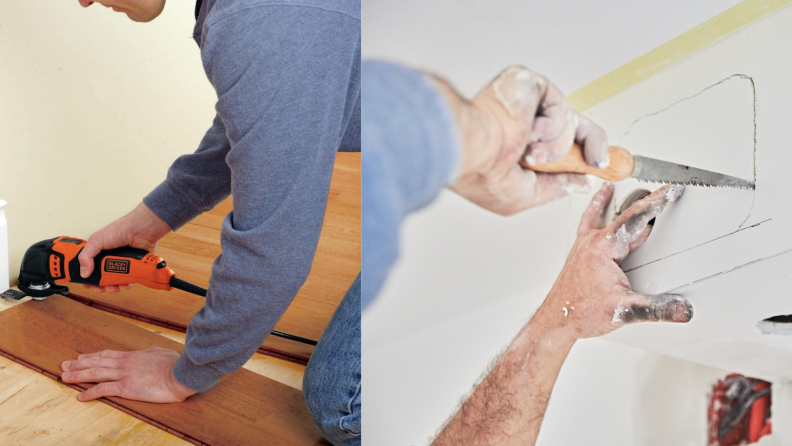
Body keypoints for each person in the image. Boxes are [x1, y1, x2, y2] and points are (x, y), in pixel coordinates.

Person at [58, 1, 361, 445]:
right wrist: (153, 219)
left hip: (485, 184)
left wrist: (184, 375)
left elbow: (274, 249)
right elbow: (255, 126)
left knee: (344, 407)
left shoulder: (266, 16)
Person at [362, 61, 693, 445]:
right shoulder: (375, 245)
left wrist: (488, 135)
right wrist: (562, 316)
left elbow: (385, 124)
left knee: (333, 405)